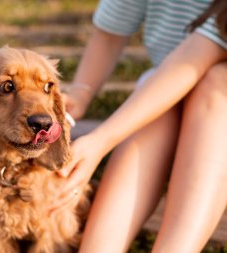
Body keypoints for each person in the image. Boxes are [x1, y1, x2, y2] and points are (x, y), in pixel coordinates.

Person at [51, 0, 227, 252]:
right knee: (155, 99)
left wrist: (101, 140)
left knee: (216, 83)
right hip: (171, 81)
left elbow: (196, 57)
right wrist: (81, 92)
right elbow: (110, 35)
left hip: (216, 97)